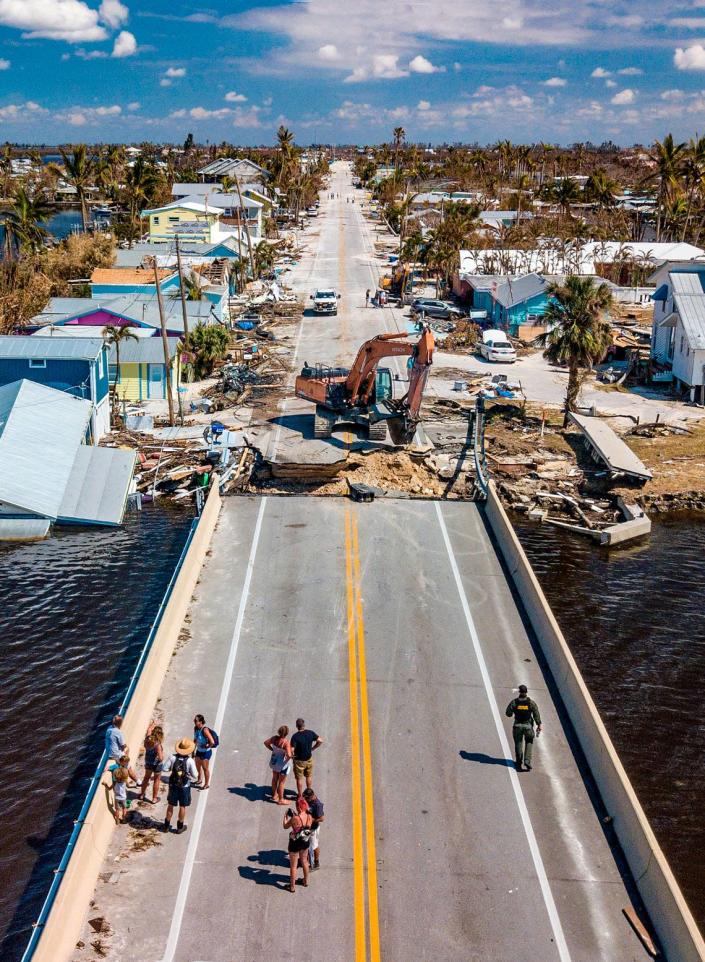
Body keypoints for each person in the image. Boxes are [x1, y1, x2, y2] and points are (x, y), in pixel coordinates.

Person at [162, 738, 198, 834]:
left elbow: (164, 769)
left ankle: (166, 826)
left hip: (173, 784)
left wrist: (173, 770)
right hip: (185, 786)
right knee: (182, 806)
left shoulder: (172, 757)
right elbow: (195, 775)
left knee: (170, 805)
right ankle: (179, 827)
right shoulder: (190, 761)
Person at [505, 685, 542, 771]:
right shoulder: (531, 703)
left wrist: (515, 711)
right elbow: (536, 714)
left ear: (519, 692)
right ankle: (527, 760)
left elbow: (508, 714)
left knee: (518, 743)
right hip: (528, 727)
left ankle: (518, 763)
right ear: (526, 692)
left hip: (517, 726)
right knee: (529, 741)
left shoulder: (514, 702)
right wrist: (539, 724)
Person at [283, 796, 313, 892]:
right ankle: (305, 881)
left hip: (295, 843)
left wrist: (285, 816)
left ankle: (292, 887)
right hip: (305, 841)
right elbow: (307, 827)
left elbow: (285, 826)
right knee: (304, 861)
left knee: (293, 866)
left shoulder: (295, 818)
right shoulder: (309, 815)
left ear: (299, 807)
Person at [291, 718, 323, 795]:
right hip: (309, 759)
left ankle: (300, 795)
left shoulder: (295, 737)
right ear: (304, 725)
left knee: (299, 778)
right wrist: (313, 748)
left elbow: (292, 749)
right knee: (308, 776)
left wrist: (292, 756)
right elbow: (320, 740)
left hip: (299, 761)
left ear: (296, 726)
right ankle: (309, 793)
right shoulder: (310, 733)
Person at [105, 715, 139, 785]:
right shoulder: (118, 732)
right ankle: (138, 782)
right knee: (127, 757)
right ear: (120, 723)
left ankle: (127, 776)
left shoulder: (109, 729)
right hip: (116, 755)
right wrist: (126, 748)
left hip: (109, 754)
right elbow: (123, 746)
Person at [264, 725, 293, 805]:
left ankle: (274, 795)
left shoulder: (274, 738)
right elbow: (289, 755)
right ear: (287, 733)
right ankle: (281, 799)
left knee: (274, 779)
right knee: (281, 782)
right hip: (282, 765)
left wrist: (272, 749)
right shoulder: (286, 742)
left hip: (274, 761)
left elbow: (266, 743)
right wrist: (288, 759)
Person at [139, 723, 164, 803]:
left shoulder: (147, 739)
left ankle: (142, 795)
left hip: (148, 762)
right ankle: (154, 799)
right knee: (156, 780)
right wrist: (161, 757)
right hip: (156, 765)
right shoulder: (158, 745)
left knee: (146, 778)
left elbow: (148, 730)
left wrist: (152, 725)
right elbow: (160, 758)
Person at [302, 787, 324, 871]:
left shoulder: (318, 805)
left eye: (307, 798)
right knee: (304, 841)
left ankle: (316, 862)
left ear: (311, 796)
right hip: (307, 827)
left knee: (314, 846)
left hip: (313, 829)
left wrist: (312, 820)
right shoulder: (309, 801)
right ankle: (305, 859)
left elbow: (322, 818)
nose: (306, 800)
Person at [193, 714, 216, 789]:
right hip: (199, 751)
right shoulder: (196, 728)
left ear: (201, 721)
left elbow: (212, 741)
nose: (194, 722)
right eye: (194, 720)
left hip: (206, 752)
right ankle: (199, 780)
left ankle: (206, 784)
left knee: (205, 768)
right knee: (197, 766)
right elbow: (195, 740)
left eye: (196, 721)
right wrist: (193, 750)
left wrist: (207, 746)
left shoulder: (205, 730)